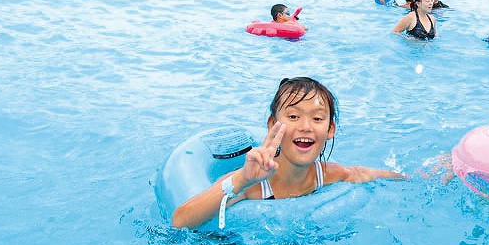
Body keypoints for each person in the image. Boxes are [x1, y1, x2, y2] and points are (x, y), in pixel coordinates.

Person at [171, 77, 405, 228]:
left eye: (317, 118)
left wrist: (416, 177)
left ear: (330, 129)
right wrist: (242, 178)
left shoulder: (328, 174)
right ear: (273, 124)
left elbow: (361, 173)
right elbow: (180, 220)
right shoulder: (252, 183)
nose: (305, 126)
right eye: (293, 116)